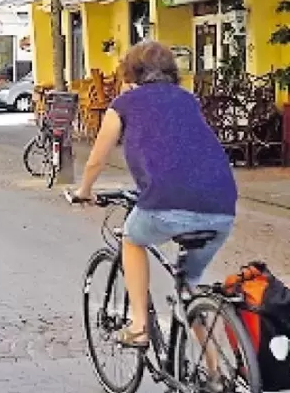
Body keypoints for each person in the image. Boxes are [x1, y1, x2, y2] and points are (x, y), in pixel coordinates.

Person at [72, 40, 237, 348]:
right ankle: (214, 373)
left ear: (129, 73)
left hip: (166, 202)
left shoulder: (124, 105)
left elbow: (96, 158)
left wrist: (84, 191)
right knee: (188, 289)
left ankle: (138, 326)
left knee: (132, 239)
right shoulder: (188, 100)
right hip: (222, 206)